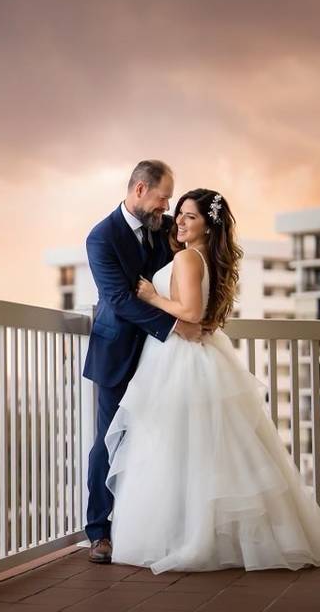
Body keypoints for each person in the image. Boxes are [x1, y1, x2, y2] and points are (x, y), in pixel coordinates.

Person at [103, 188, 320, 573]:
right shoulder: (203, 257)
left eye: (190, 216)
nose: (181, 222)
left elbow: (190, 312)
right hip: (186, 353)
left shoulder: (190, 257)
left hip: (180, 356)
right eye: (180, 215)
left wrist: (150, 295)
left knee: (179, 446)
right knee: (198, 449)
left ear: (208, 225)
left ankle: (189, 536)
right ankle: (203, 532)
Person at [81, 160, 205, 563]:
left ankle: (153, 525)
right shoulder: (101, 237)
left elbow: (196, 250)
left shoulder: (162, 227)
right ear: (139, 190)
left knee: (159, 439)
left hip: (161, 356)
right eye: (162, 197)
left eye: (169, 199)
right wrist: (174, 327)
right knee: (109, 438)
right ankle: (99, 531)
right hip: (118, 351)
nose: (166, 206)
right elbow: (118, 298)